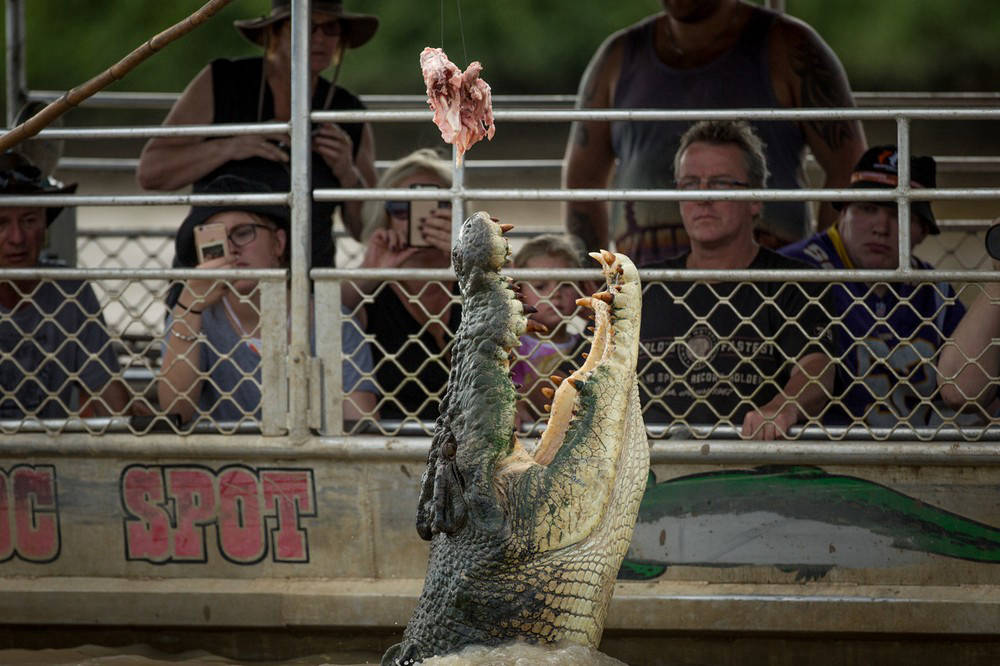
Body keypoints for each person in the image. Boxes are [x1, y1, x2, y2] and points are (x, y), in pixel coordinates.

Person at [563, 0, 867, 267]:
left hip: (770, 294)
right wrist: (593, 277)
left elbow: (849, 167)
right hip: (649, 291)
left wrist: (821, 270)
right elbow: (583, 178)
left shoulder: (789, 46)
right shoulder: (617, 57)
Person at [136, 0, 378, 268]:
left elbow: (366, 231)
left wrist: (347, 172)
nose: (319, 37)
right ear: (274, 33)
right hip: (217, 273)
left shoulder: (348, 112)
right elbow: (151, 172)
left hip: (309, 276)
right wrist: (230, 146)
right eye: (306, 26)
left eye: (331, 28)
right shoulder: (224, 81)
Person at [638, 120, 834, 440]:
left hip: (749, 468)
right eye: (690, 184)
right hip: (647, 471)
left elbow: (817, 368)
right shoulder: (643, 286)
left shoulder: (794, 283)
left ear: (755, 199)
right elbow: (582, 372)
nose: (703, 198)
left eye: (720, 184)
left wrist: (782, 407)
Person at [158, 175, 376, 425]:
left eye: (243, 233)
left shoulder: (332, 321)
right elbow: (175, 411)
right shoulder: (195, 319)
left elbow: (361, 424)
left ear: (279, 243)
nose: (231, 249)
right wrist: (189, 307)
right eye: (215, 240)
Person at [780, 146, 966, 428]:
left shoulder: (936, 293)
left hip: (917, 460)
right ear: (843, 211)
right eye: (868, 208)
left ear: (922, 230)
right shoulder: (794, 270)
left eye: (899, 213)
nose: (881, 227)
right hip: (817, 457)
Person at [0, 152, 128, 418]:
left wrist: (129, 421)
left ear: (44, 227)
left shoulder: (69, 289)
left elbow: (106, 392)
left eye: (29, 220)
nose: (16, 238)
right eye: (1, 224)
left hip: (47, 455)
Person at [348, 149, 460, 425]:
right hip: (392, 441)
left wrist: (467, 258)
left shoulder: (475, 280)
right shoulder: (369, 292)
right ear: (383, 216)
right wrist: (371, 271)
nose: (417, 220)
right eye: (401, 209)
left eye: (434, 206)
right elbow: (324, 314)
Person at [509, 234, 591, 425]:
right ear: (520, 292)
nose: (555, 294)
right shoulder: (513, 344)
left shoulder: (584, 345)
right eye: (541, 286)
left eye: (566, 284)